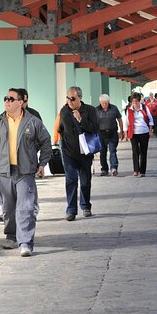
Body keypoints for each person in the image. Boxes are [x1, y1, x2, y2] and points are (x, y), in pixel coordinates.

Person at [0, 88, 52, 257]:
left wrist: (42, 164)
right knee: (8, 208)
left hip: (25, 171)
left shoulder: (32, 122)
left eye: (11, 99)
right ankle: (11, 236)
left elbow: (46, 143)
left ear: (21, 102)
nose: (7, 102)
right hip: (4, 172)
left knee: (25, 207)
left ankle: (25, 242)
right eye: (5, 99)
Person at [0, 89, 42, 224]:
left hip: (26, 166)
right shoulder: (0, 120)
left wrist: (33, 156)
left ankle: (25, 238)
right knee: (8, 201)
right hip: (5, 168)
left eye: (25, 101)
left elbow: (41, 140)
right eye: (6, 99)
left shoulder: (33, 117)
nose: (7, 102)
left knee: (25, 204)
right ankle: (10, 228)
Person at [57, 86, 99, 221]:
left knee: (85, 181)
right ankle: (71, 210)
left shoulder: (90, 110)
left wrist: (81, 120)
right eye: (68, 98)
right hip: (69, 152)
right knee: (71, 180)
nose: (70, 101)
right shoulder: (64, 111)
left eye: (72, 98)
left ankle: (86, 206)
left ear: (80, 98)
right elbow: (60, 129)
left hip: (85, 152)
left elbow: (95, 128)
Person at [96, 94, 124, 176]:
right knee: (102, 152)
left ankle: (114, 168)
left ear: (109, 102)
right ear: (100, 102)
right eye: (103, 103)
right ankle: (104, 169)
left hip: (112, 133)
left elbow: (119, 119)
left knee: (113, 151)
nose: (104, 104)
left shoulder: (114, 108)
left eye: (106, 103)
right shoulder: (96, 110)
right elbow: (93, 122)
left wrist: (122, 131)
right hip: (101, 133)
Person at [127, 92, 153, 177]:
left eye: (136, 101)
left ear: (139, 101)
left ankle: (142, 171)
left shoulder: (144, 108)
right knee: (135, 152)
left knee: (143, 152)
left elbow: (150, 119)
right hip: (133, 133)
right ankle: (136, 170)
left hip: (144, 132)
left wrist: (150, 130)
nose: (135, 103)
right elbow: (126, 121)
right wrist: (124, 132)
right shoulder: (129, 110)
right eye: (133, 102)